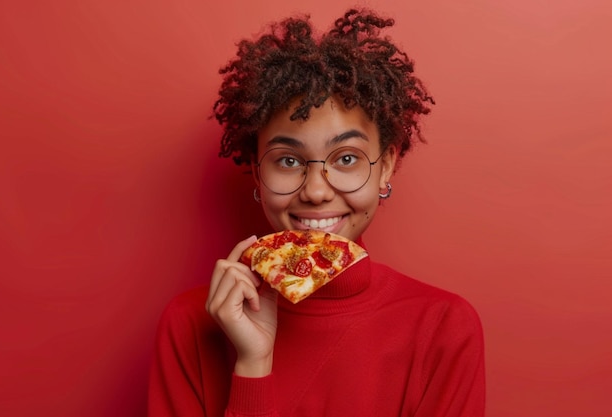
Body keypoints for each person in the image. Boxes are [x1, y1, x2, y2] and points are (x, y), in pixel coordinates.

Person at [148, 8, 485, 417]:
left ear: (386, 166)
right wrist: (253, 365)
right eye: (288, 161)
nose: (316, 191)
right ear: (257, 171)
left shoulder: (443, 328)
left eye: (345, 158)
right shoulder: (189, 325)